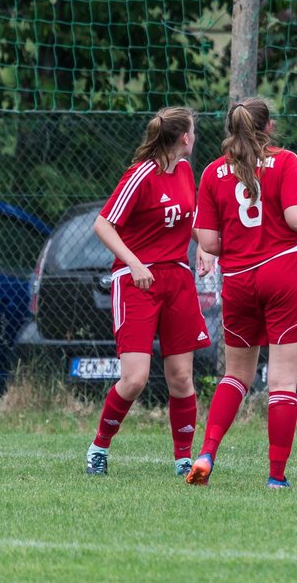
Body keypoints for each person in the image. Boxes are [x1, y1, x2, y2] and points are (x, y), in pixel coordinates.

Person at [187, 98, 297, 488]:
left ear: (231, 129)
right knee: (282, 382)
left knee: (236, 375)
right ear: (269, 127)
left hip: (240, 280)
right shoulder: (285, 160)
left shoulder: (214, 172)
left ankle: (207, 452)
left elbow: (209, 243)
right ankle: (276, 477)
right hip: (283, 271)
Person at [85, 107, 212, 477]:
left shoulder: (186, 171)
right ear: (184, 137)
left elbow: (189, 220)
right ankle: (98, 449)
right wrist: (135, 262)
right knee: (135, 378)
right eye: (193, 130)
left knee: (182, 377)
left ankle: (183, 459)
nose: (195, 136)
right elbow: (103, 224)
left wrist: (202, 245)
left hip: (177, 281)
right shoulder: (141, 174)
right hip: (137, 282)